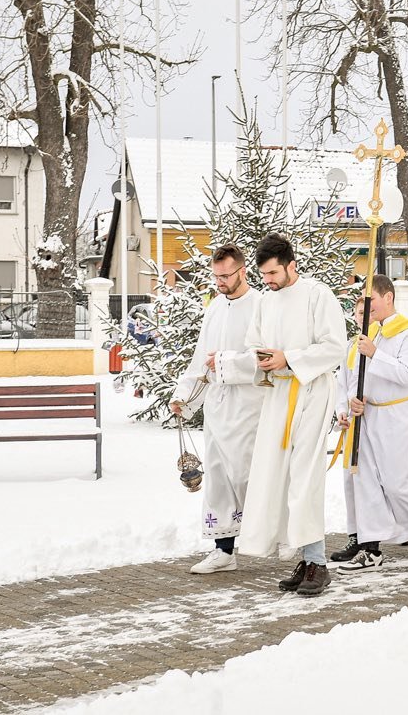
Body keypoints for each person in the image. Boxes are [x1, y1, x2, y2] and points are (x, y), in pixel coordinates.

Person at [221, 233, 345, 597]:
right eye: (264, 275)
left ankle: (318, 563)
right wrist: (262, 360)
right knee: (279, 476)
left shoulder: (317, 295)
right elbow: (253, 343)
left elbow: (335, 347)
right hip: (277, 393)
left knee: (305, 476)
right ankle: (305, 560)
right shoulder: (266, 301)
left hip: (310, 391)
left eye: (274, 273)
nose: (269, 281)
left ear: (292, 265)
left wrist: (289, 358)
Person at [338, 275, 408, 573]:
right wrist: (354, 399)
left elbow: (407, 375)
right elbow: (355, 376)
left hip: (397, 416)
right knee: (367, 482)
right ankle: (370, 549)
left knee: (399, 483)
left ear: (388, 297)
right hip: (369, 414)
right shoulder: (369, 332)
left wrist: (375, 353)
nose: (368, 304)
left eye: (372, 297)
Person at [169, 244, 264, 575]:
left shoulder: (261, 307)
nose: (220, 282)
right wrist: (184, 397)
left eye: (226, 276)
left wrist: (224, 365)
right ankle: (223, 551)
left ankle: (277, 536)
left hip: (250, 403)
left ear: (242, 271)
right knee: (219, 476)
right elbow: (200, 358)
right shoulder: (214, 309)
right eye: (216, 276)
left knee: (248, 474)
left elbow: (264, 360)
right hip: (218, 405)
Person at [329, 298, 366, 563]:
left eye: (367, 313)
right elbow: (342, 383)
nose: (362, 317)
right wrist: (341, 411)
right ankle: (355, 535)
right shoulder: (350, 347)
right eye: (358, 313)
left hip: (373, 420)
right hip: (352, 422)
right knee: (350, 482)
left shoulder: (378, 345)